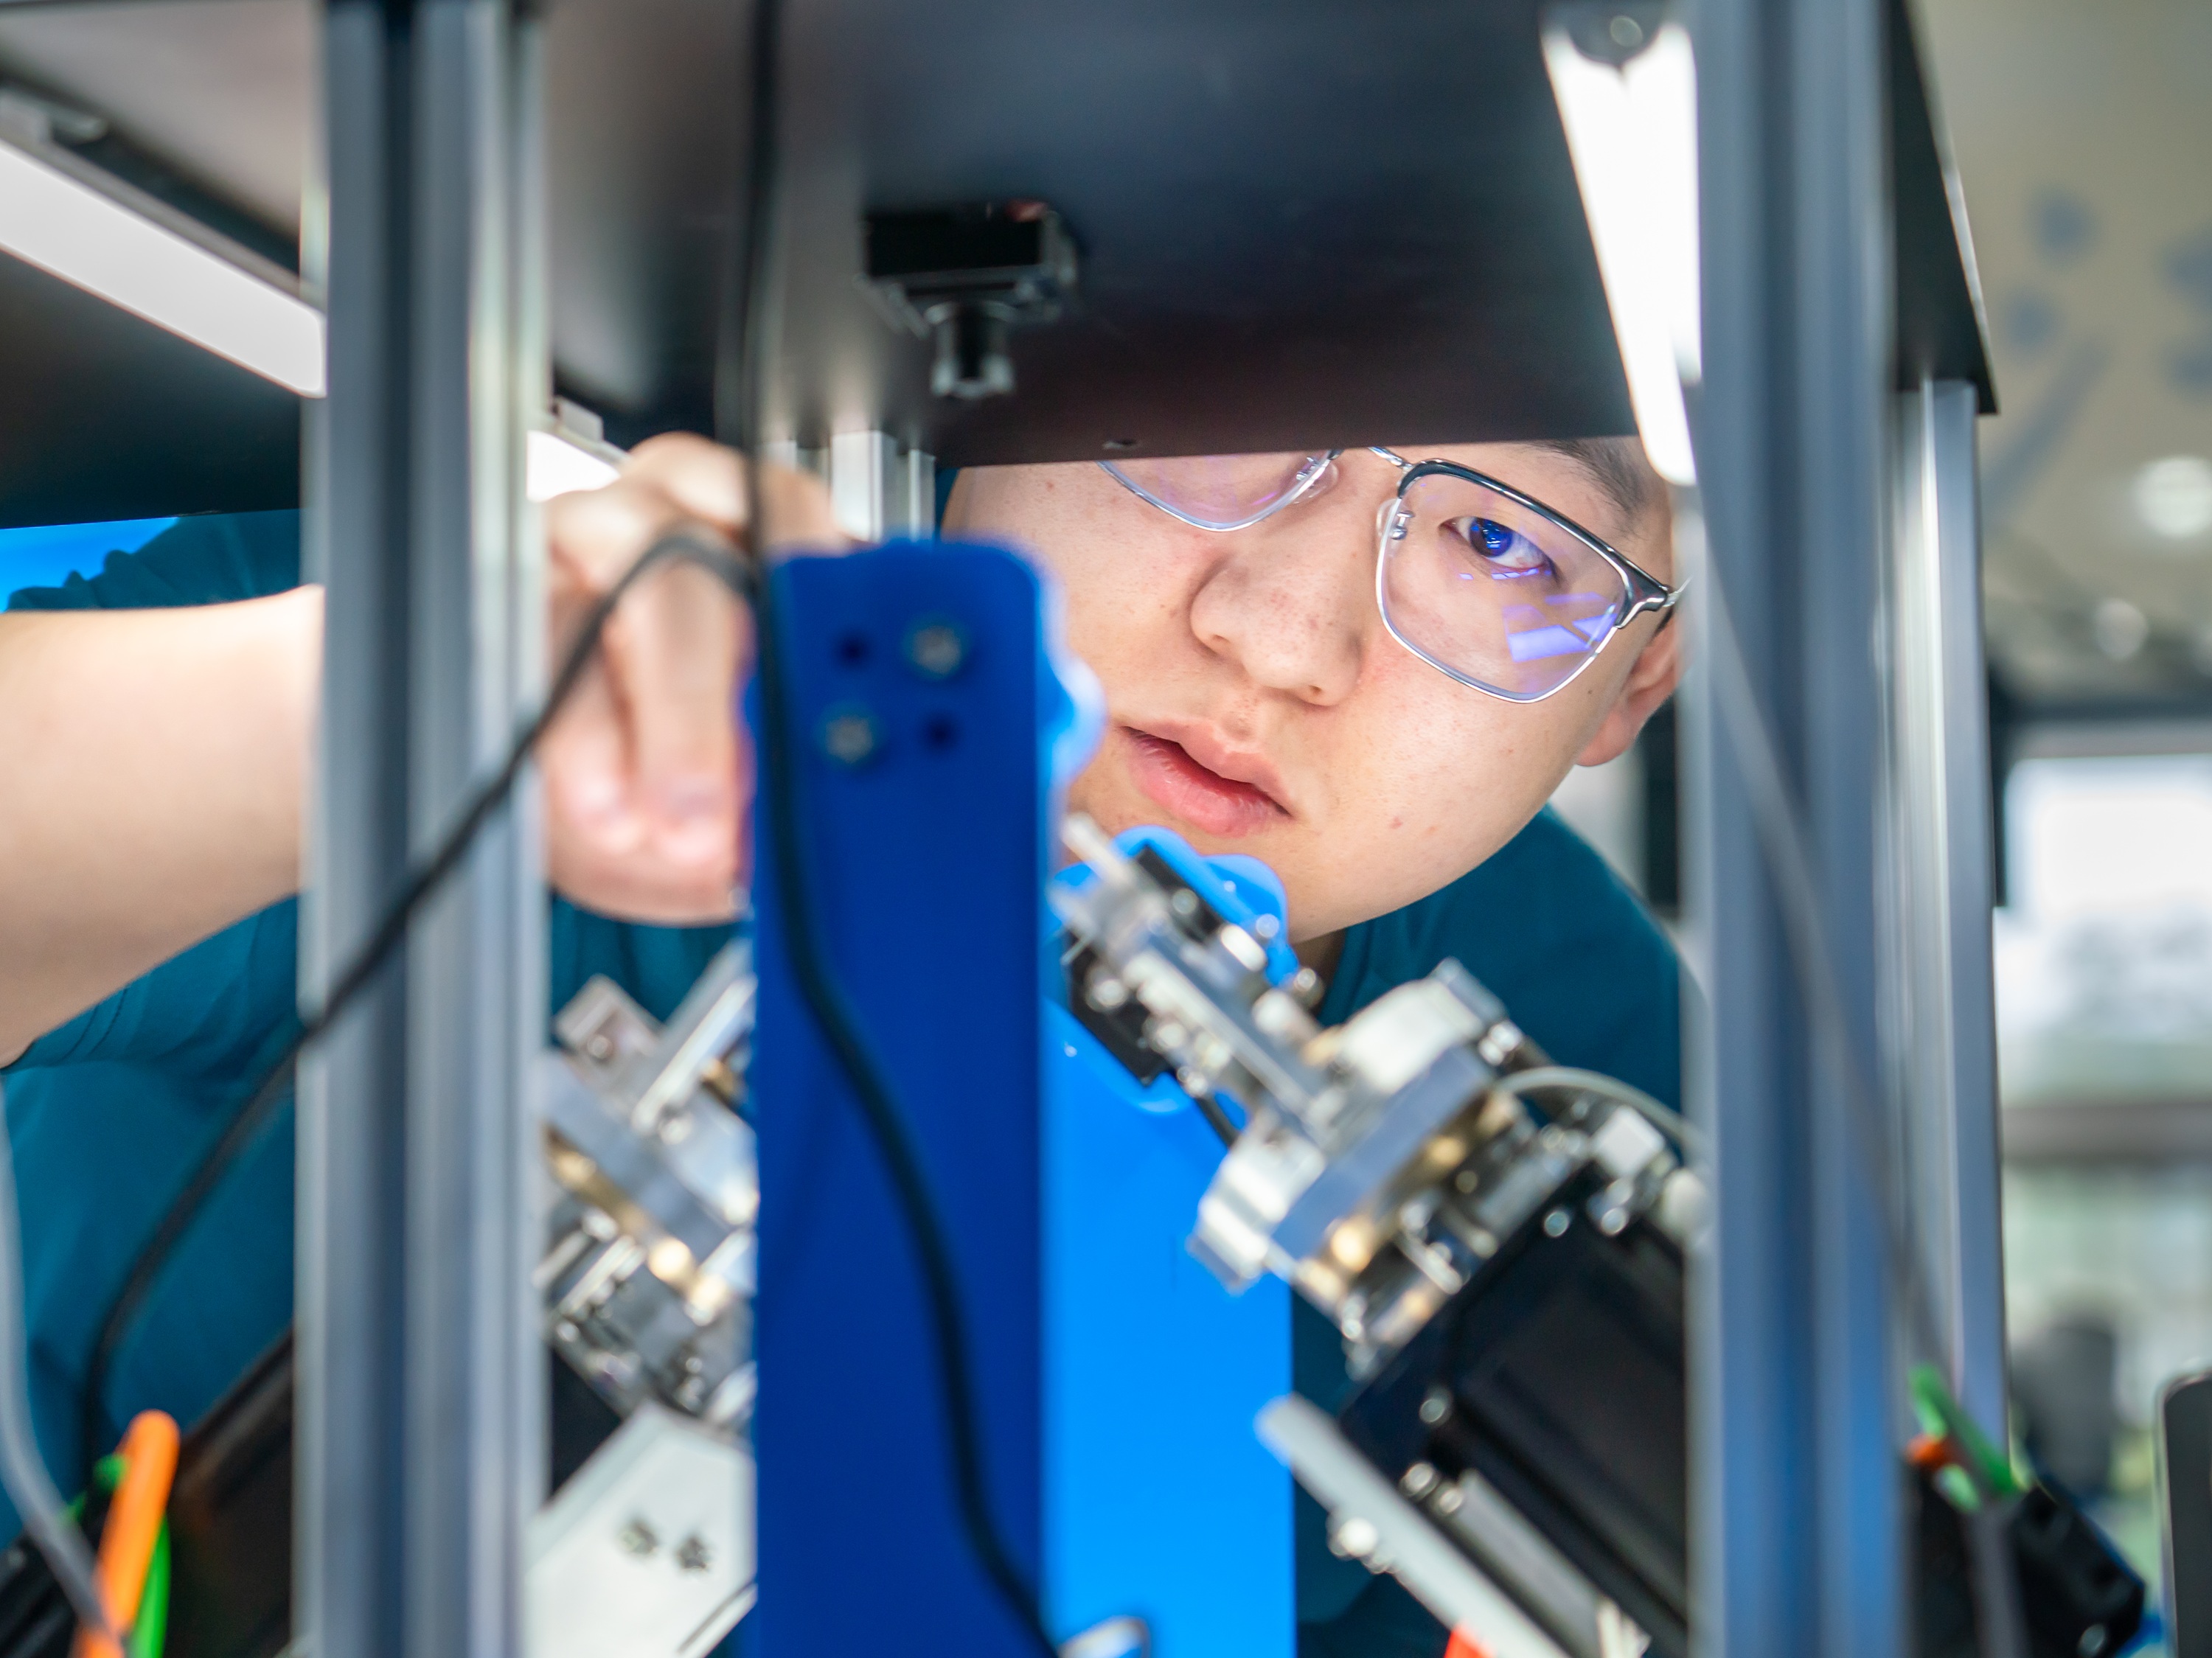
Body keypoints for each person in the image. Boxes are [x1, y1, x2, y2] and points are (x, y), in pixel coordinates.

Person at [0, 429, 1680, 1658]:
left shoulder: (1562, 1030)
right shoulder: (589, 651)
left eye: (1502, 547)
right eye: (1233, 416)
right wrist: (368, 714)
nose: (1282, 635)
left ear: (1637, 681)